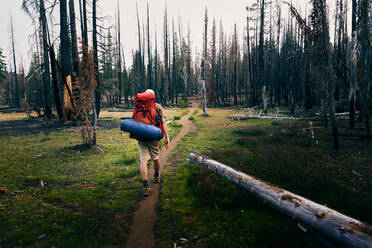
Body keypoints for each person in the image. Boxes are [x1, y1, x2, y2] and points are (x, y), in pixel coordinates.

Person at [137, 89, 169, 196]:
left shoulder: (139, 106)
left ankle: (145, 187)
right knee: (155, 157)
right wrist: (167, 138)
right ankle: (156, 177)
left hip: (141, 136)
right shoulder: (157, 107)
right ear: (153, 97)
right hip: (153, 137)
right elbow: (163, 123)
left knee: (143, 160)